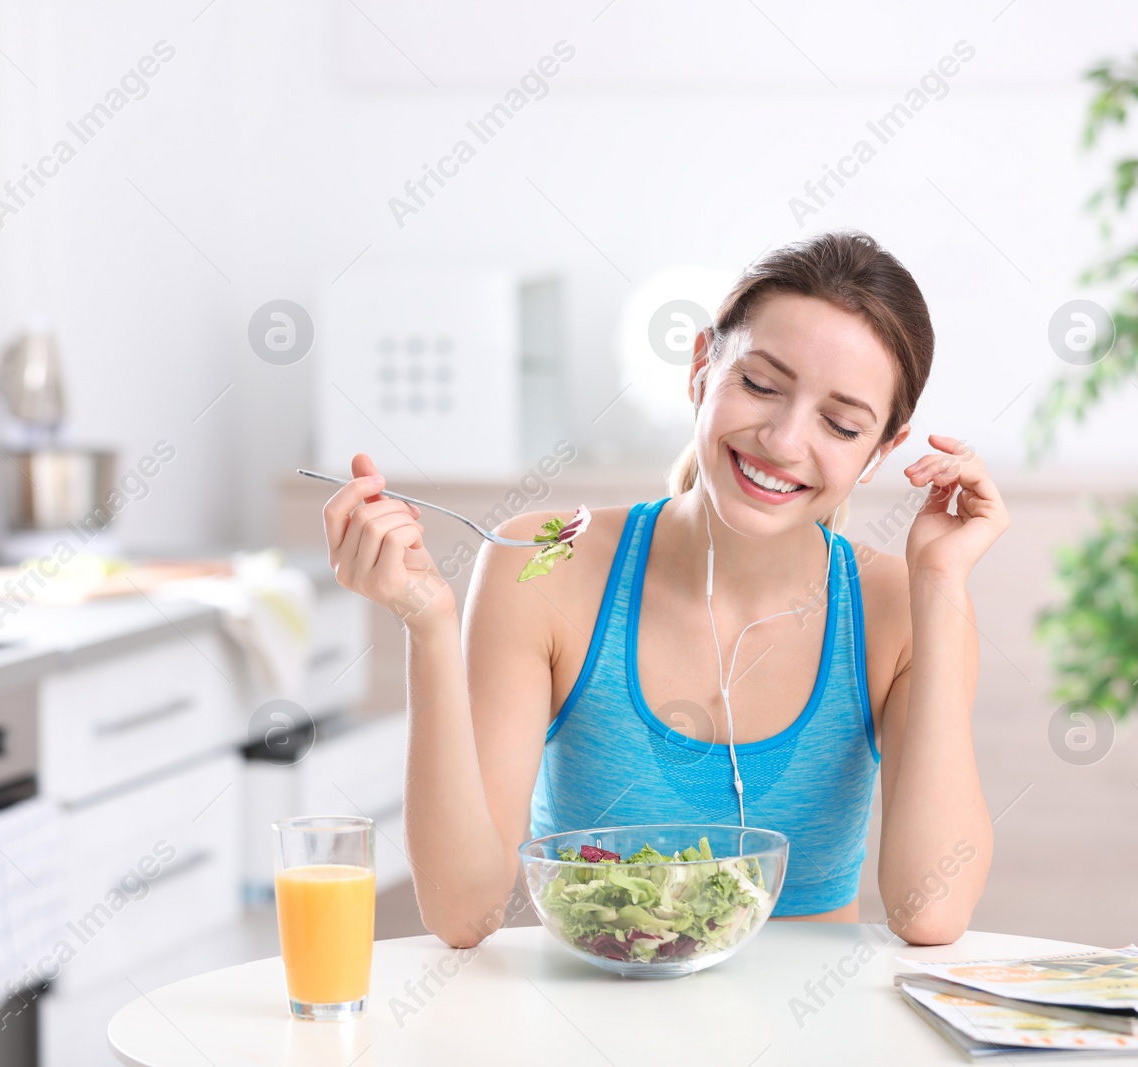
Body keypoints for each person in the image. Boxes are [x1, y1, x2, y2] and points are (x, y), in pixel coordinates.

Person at [321, 230, 1010, 948]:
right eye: (761, 385)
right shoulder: (546, 565)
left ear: (880, 452)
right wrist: (425, 622)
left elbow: (931, 910)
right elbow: (462, 911)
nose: (782, 439)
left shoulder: (904, 606)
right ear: (701, 369)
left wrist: (938, 585)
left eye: (840, 424)